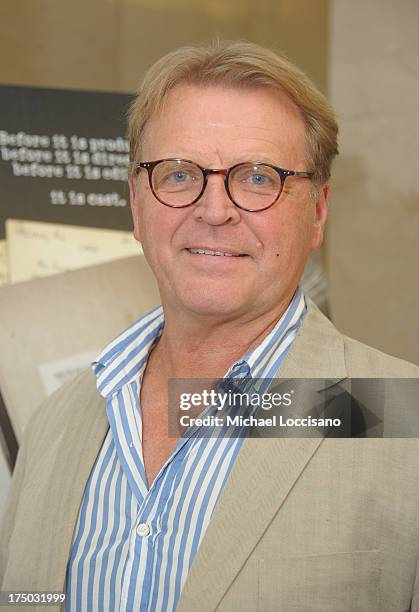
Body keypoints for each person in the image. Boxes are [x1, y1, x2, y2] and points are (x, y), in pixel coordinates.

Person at [1, 40, 419, 612]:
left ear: (318, 211)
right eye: (178, 174)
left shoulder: (401, 419)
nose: (215, 210)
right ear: (135, 204)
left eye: (256, 177)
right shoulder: (57, 423)